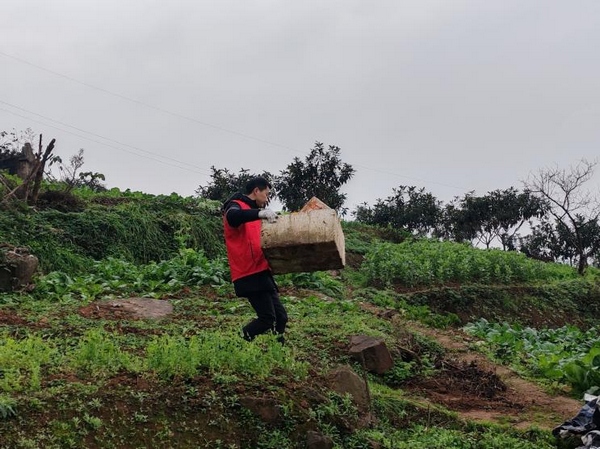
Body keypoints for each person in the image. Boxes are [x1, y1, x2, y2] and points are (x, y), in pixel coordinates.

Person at [222, 177, 288, 344]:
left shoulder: (256, 214)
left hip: (262, 271)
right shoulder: (235, 205)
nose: (267, 199)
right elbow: (233, 217)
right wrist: (261, 213)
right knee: (267, 318)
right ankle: (233, 345)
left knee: (281, 317)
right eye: (266, 194)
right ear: (256, 191)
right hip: (248, 272)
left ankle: (277, 351)